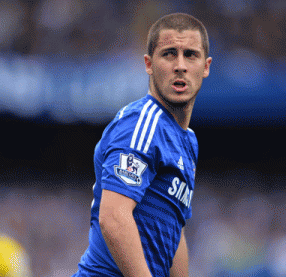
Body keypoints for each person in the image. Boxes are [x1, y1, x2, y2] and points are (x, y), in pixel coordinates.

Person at [73, 12, 212, 277]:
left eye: (190, 55)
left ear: (205, 67)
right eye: (169, 54)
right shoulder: (141, 123)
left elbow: (175, 229)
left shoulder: (188, 141)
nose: (180, 65)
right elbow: (113, 219)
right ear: (149, 64)